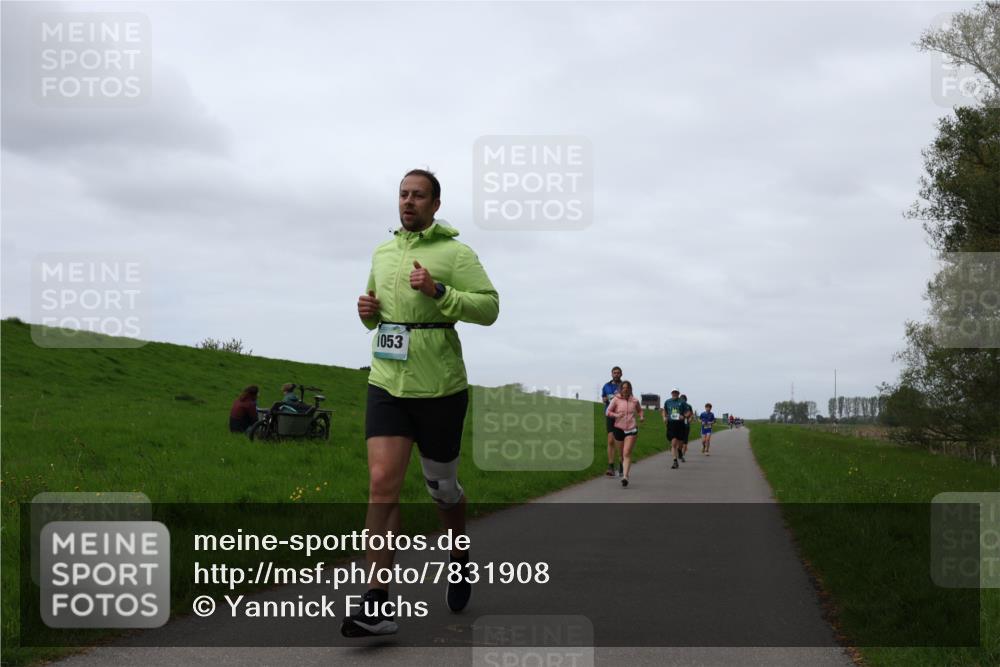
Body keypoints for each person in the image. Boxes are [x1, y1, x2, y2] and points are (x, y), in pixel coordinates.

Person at [343, 168, 499, 638]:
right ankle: (376, 601)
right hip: (386, 382)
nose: (408, 201)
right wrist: (367, 314)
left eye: (418, 195)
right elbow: (376, 311)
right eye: (403, 194)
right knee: (381, 484)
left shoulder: (456, 253)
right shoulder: (383, 252)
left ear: (435, 204)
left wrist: (439, 291)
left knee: (442, 489)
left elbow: (489, 308)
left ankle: (458, 554)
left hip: (440, 388)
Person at [606, 380, 643, 487]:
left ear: (630, 389)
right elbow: (608, 412)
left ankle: (625, 477)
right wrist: (616, 415)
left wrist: (641, 417)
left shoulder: (635, 400)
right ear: (621, 389)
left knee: (627, 453)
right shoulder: (616, 399)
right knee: (621, 454)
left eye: (627, 388)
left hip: (631, 429)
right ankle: (622, 465)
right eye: (624, 388)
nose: (625, 389)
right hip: (618, 428)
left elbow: (640, 410)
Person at [601, 366, 623, 476]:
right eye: (614, 373)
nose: (616, 374)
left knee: (620, 441)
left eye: (618, 373)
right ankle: (611, 466)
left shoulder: (624, 386)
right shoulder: (606, 386)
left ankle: (622, 464)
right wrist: (605, 399)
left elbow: (630, 399)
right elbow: (603, 398)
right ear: (611, 374)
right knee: (610, 440)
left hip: (621, 416)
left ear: (621, 374)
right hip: (610, 415)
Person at [662, 389, 690, 469]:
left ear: (678, 394)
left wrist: (684, 416)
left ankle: (680, 451)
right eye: (673, 393)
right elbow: (664, 410)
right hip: (671, 424)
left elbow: (688, 412)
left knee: (680, 443)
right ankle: (675, 461)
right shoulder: (668, 401)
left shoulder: (682, 402)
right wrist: (664, 417)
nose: (674, 394)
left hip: (680, 424)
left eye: (676, 393)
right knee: (673, 443)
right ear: (671, 393)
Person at [680, 393, 694, 460]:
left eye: (683, 399)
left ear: (686, 400)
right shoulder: (678, 405)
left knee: (685, 441)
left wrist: (690, 418)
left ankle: (682, 455)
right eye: (681, 399)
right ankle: (679, 452)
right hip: (678, 425)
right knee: (680, 440)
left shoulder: (689, 406)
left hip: (686, 425)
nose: (682, 400)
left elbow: (691, 414)